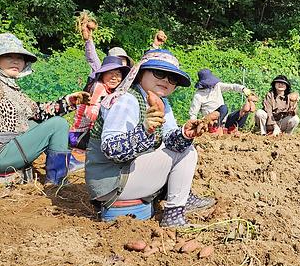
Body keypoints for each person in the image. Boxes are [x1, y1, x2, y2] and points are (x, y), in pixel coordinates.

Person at [85, 49, 215, 226]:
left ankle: (179, 200)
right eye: (159, 73)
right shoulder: (127, 100)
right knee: (187, 153)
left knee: (183, 146)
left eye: (172, 78)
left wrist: (185, 133)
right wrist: (145, 131)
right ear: (140, 74)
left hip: (124, 176)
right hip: (111, 181)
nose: (166, 81)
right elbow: (111, 150)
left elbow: (170, 141)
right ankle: (174, 214)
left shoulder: (162, 104)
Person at [0, 33, 90, 185]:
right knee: (58, 125)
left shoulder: (11, 88)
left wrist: (70, 101)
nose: (16, 61)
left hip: (2, 151)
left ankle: (63, 165)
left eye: (20, 57)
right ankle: (57, 181)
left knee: (38, 123)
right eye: (9, 56)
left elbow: (39, 112)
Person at [69, 55, 130, 150]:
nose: (114, 77)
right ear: (102, 74)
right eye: (110, 73)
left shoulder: (110, 90)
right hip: (79, 135)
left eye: (118, 74)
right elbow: (90, 113)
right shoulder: (99, 87)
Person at [78, 12, 167, 77]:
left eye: (123, 61)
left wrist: (155, 46)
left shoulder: (128, 81)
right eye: (117, 61)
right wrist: (88, 40)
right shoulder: (100, 73)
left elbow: (146, 64)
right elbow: (92, 57)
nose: (120, 65)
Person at [188, 69, 257, 133]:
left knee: (243, 112)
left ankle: (235, 130)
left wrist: (243, 89)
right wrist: (194, 125)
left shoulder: (217, 86)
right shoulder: (198, 95)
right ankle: (217, 128)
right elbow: (193, 114)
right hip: (211, 123)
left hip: (225, 120)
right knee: (223, 108)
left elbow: (232, 87)